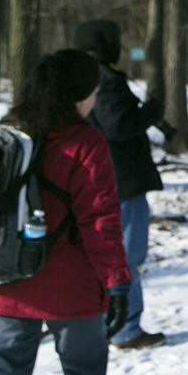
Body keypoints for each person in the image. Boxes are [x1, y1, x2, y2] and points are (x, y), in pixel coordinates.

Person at [0, 49, 132, 375]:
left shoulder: (0, 135)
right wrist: (117, 281)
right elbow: (100, 220)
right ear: (80, 95)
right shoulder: (85, 143)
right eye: (94, 92)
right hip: (68, 291)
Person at [74, 19, 168, 351]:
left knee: (112, 255)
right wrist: (153, 111)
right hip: (120, 182)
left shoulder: (82, 76)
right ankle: (124, 327)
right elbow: (119, 125)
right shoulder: (105, 80)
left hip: (100, 179)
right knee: (127, 256)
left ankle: (108, 323)